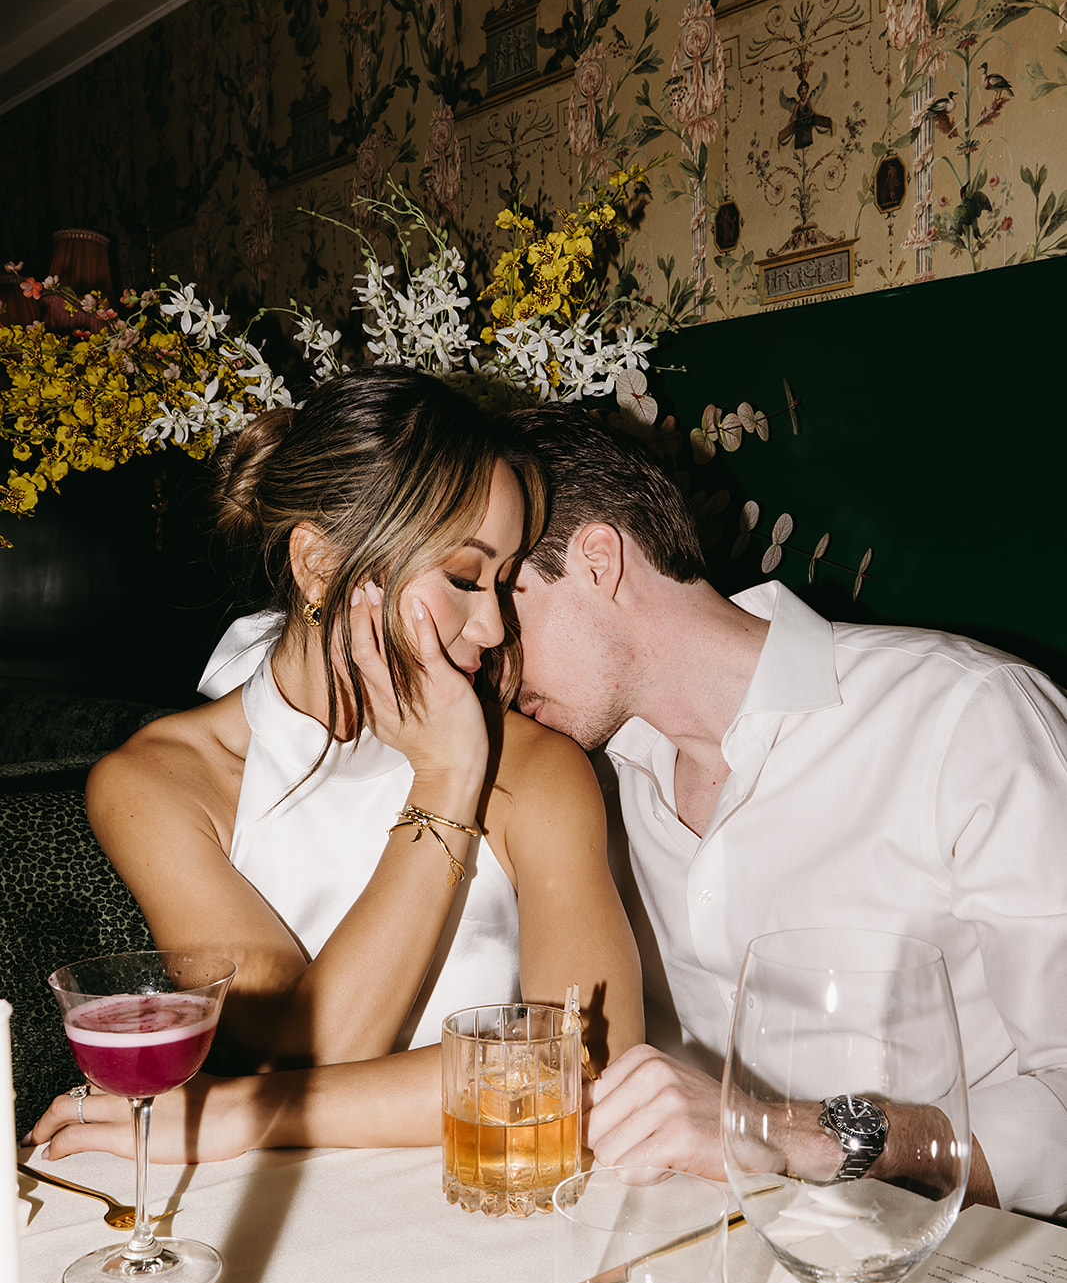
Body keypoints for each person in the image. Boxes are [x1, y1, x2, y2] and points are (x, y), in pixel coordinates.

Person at [30, 369, 642, 1162]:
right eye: (462, 576)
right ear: (319, 568)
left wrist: (231, 1116)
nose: (491, 626)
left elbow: (591, 1075)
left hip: (506, 1209)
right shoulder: (159, 784)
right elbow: (307, 1053)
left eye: (502, 581)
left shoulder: (540, 771)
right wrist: (447, 784)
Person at [505, 405, 1067, 1222]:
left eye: (497, 595)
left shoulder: (966, 717)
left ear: (597, 560)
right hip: (688, 1256)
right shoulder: (578, 783)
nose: (482, 642)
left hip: (951, 1270)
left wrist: (783, 1134)